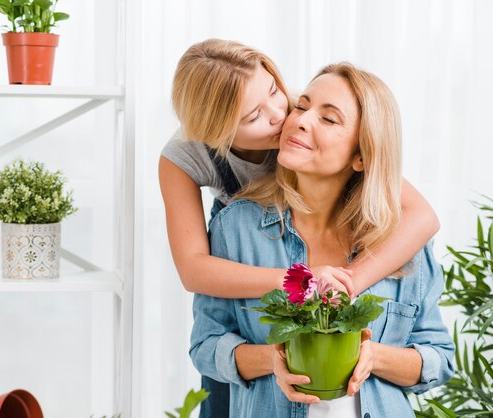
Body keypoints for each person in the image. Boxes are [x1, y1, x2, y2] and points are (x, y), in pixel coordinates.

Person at [159, 39, 440, 417]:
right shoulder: (208, 185)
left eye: (276, 91)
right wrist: (300, 281)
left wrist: (349, 282)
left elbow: (419, 213)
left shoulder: (303, 117)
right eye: (254, 116)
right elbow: (195, 272)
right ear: (217, 134)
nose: (284, 116)